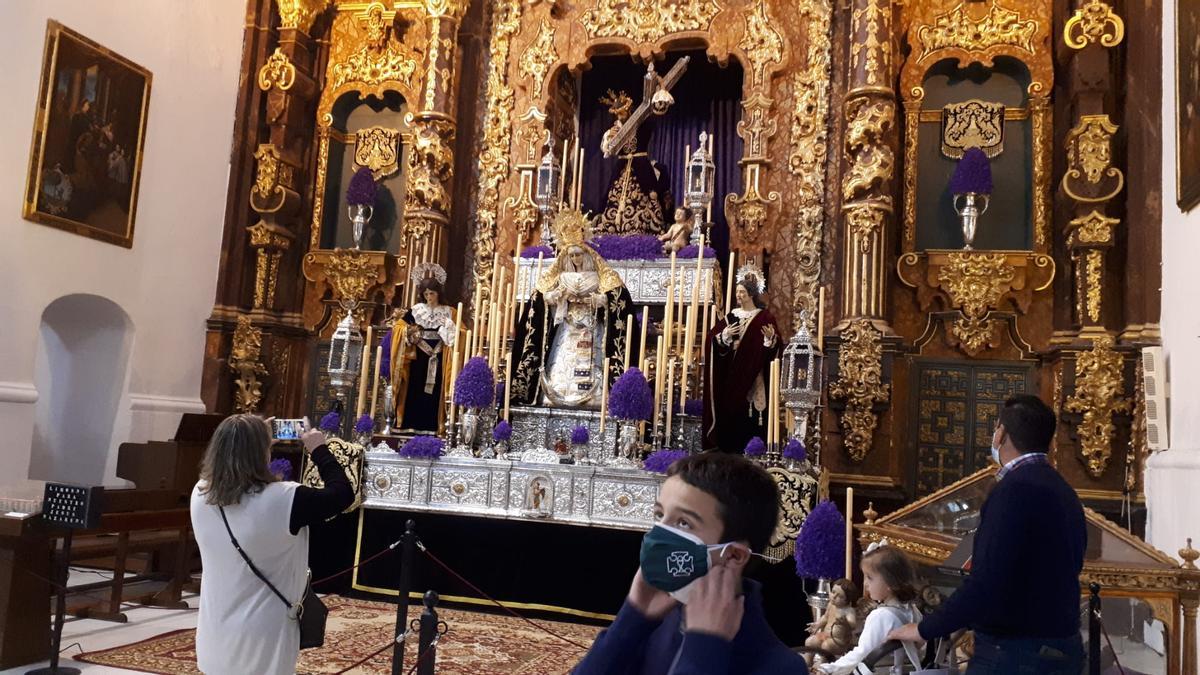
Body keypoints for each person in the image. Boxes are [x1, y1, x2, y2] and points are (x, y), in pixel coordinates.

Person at [888, 394, 1086, 674]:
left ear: (1001, 434)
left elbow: (987, 581)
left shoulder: (1014, 490)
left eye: (995, 428)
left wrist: (925, 628)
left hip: (1015, 653)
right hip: (1062, 644)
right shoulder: (1063, 489)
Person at [573, 453, 807, 674]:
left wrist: (705, 647)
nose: (659, 533)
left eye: (684, 523)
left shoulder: (780, 666)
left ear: (734, 556)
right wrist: (633, 617)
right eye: (659, 515)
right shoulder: (656, 625)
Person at [191, 415, 354, 675]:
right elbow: (342, 494)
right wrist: (319, 450)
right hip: (265, 632)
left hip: (215, 630)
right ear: (262, 452)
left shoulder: (200, 494)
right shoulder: (285, 499)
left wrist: (255, 441)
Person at [511, 213, 636, 407]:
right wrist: (553, 298)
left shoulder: (599, 276)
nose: (576, 258)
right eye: (572, 255)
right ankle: (557, 396)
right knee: (562, 364)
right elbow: (542, 299)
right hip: (568, 327)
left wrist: (601, 300)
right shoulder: (562, 277)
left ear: (586, 254)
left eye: (579, 254)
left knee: (591, 363)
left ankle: (595, 399)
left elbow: (617, 300)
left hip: (591, 327)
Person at [703, 266, 780, 452]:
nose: (738, 295)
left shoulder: (764, 317)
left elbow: (773, 349)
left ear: (751, 294)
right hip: (731, 379)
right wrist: (725, 336)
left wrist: (770, 340)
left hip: (753, 378)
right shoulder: (731, 317)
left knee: (752, 418)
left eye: (742, 292)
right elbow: (712, 341)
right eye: (737, 291)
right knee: (731, 417)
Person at [817, 543, 923, 674]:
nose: (865, 584)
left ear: (890, 583)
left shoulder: (881, 616)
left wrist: (828, 669)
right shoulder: (913, 610)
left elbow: (861, 655)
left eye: (870, 578)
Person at [387, 264, 457, 433]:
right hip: (419, 356)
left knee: (436, 392)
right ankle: (410, 424)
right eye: (426, 294)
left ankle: (435, 426)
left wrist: (450, 330)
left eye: (432, 293)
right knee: (414, 389)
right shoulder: (416, 311)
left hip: (440, 356)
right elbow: (398, 328)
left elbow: (460, 332)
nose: (429, 297)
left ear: (439, 293)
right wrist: (408, 332)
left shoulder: (449, 312)